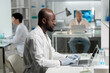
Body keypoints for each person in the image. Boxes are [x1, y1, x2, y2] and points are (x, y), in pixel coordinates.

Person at [23, 8, 80, 73]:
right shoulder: (35, 37)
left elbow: (52, 54)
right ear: (44, 21)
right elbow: (40, 62)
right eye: (52, 20)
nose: (55, 23)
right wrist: (61, 62)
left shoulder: (44, 34)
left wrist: (66, 57)